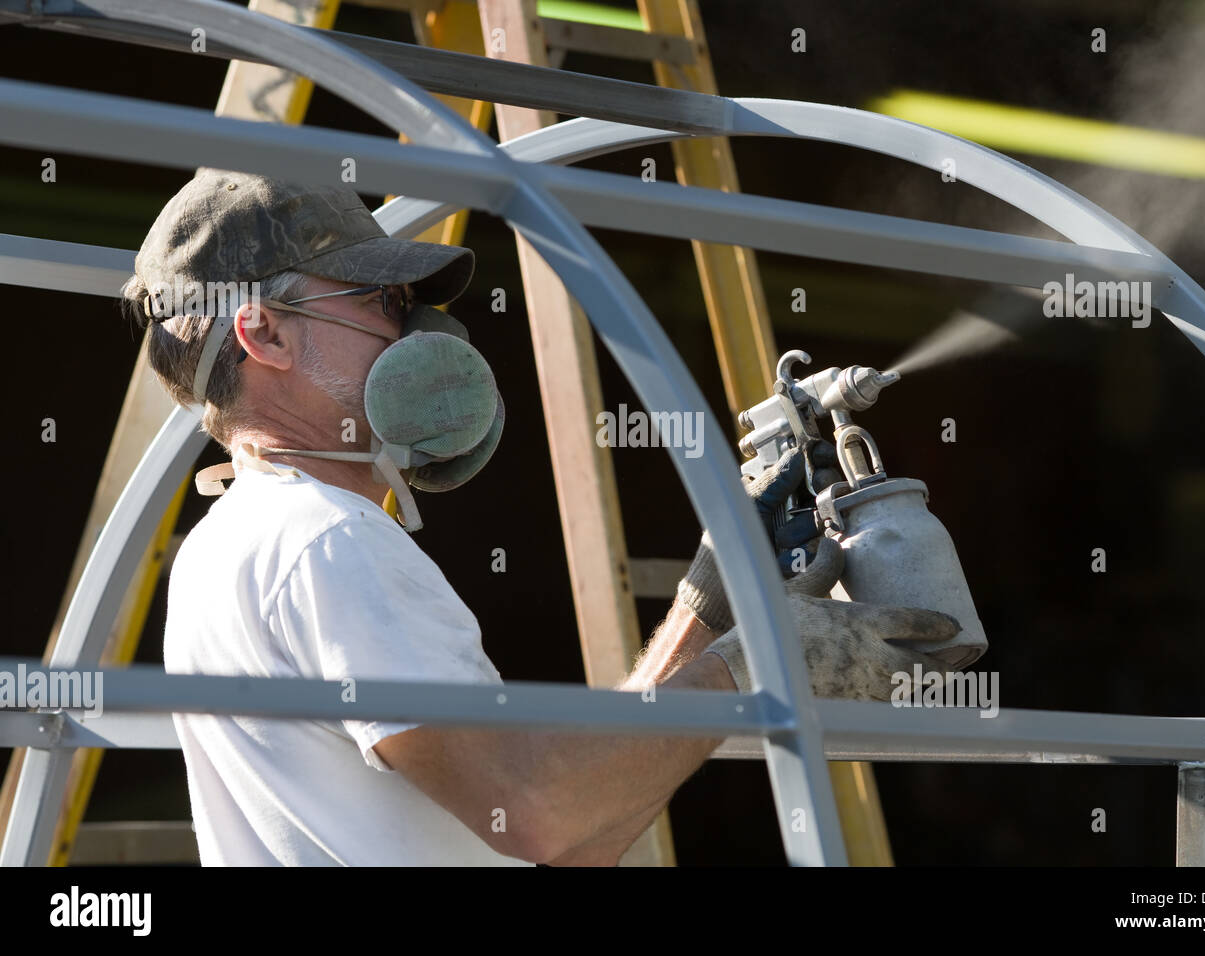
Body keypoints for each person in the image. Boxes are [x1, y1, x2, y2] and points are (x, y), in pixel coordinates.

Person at [123, 169, 958, 866]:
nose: (418, 328)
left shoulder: (228, 544)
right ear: (263, 332)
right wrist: (757, 666)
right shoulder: (330, 543)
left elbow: (564, 828)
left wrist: (705, 620)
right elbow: (537, 813)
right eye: (379, 298)